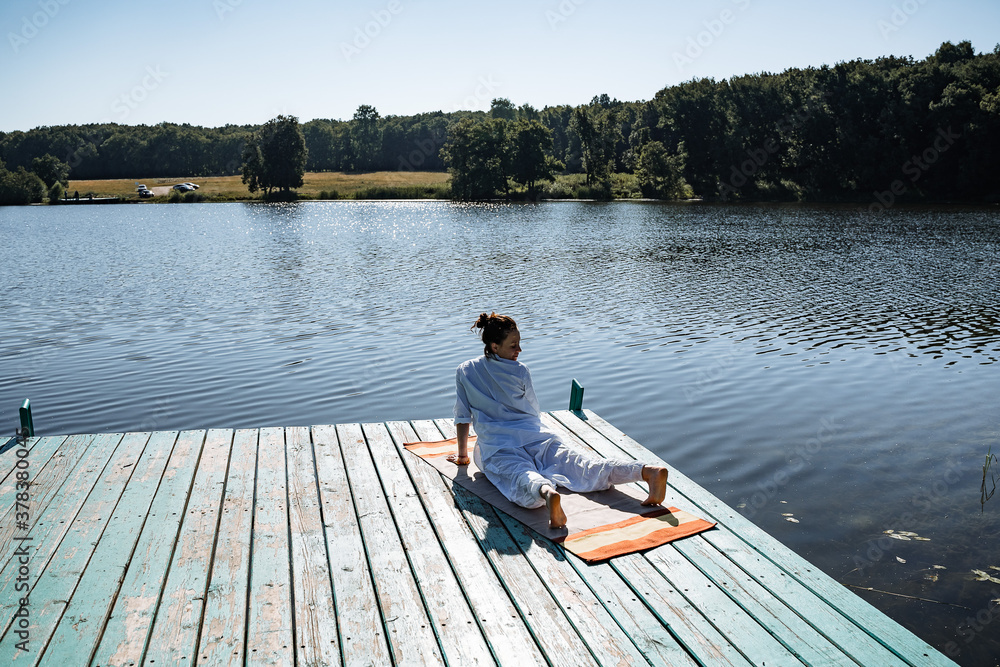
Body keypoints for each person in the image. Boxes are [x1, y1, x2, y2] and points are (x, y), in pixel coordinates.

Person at [450, 312, 668, 529]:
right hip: (538, 437)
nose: (519, 350)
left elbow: (462, 416)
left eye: (519, 344)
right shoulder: (521, 371)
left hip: (498, 445)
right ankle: (645, 471)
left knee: (519, 476)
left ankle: (547, 493)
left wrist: (462, 456)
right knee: (584, 466)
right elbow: (534, 410)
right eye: (513, 345)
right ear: (495, 346)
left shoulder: (465, 370)